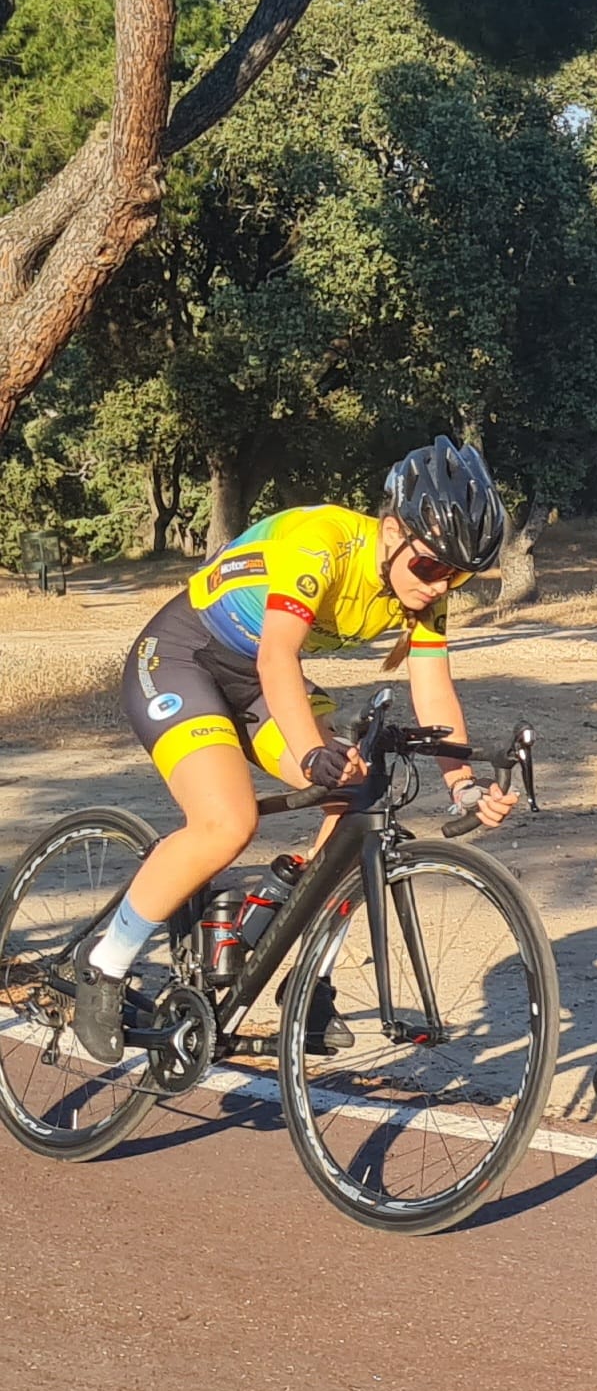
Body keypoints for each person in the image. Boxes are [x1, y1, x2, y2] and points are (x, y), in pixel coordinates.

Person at [74, 438, 519, 1062]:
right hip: (184, 657)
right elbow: (277, 652)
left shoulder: (428, 577)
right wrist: (312, 754)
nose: (438, 585)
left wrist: (461, 784)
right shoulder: (323, 542)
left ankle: (303, 965)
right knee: (228, 821)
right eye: (428, 568)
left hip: (259, 680)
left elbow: (432, 684)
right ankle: (103, 965)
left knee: (361, 789)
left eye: (456, 575)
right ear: (392, 530)